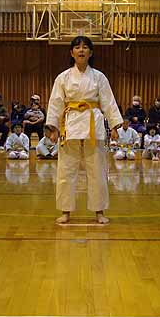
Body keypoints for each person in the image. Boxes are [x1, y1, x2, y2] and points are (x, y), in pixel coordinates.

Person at [46, 36, 123, 226]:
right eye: (77, 47)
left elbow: (108, 101)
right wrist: (53, 128)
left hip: (93, 124)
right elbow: (56, 103)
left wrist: (114, 125)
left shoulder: (99, 77)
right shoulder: (63, 77)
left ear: (91, 53)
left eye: (85, 47)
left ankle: (99, 211)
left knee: (97, 171)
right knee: (66, 170)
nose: (81, 50)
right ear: (71, 53)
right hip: (70, 124)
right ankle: (65, 211)